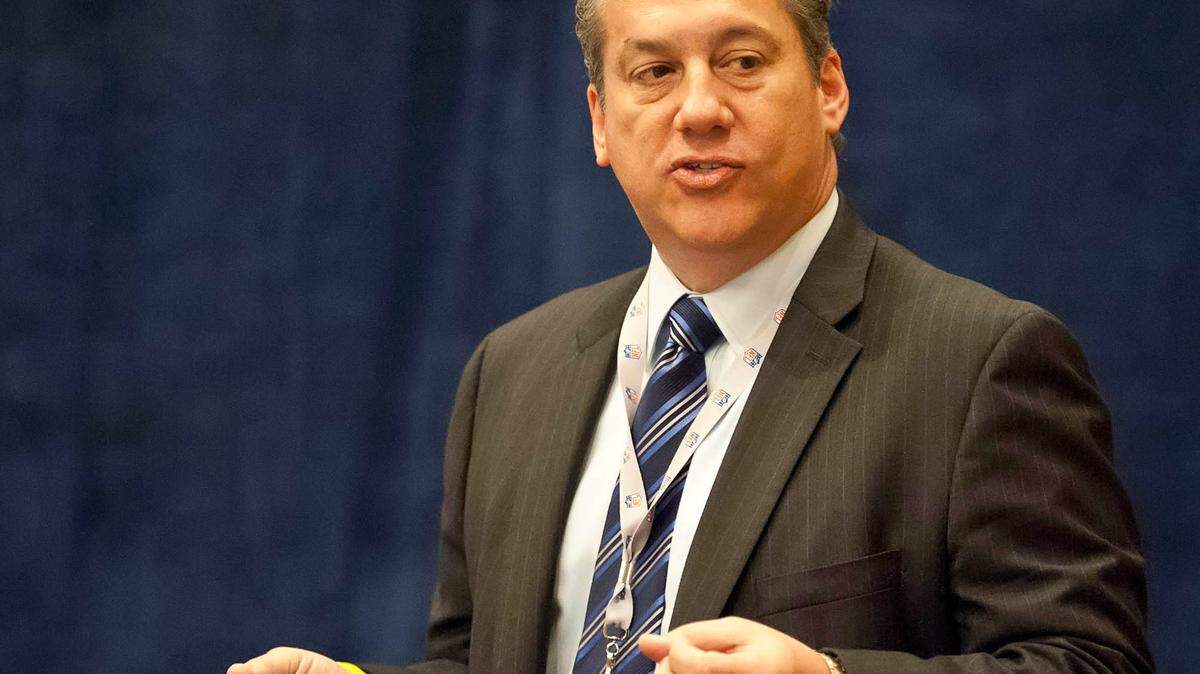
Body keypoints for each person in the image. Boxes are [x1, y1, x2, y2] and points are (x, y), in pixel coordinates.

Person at [228, 0, 1153, 672]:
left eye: (742, 61)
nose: (700, 108)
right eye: (654, 71)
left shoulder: (983, 361)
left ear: (829, 88)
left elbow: (1089, 660)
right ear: (601, 121)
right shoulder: (511, 371)